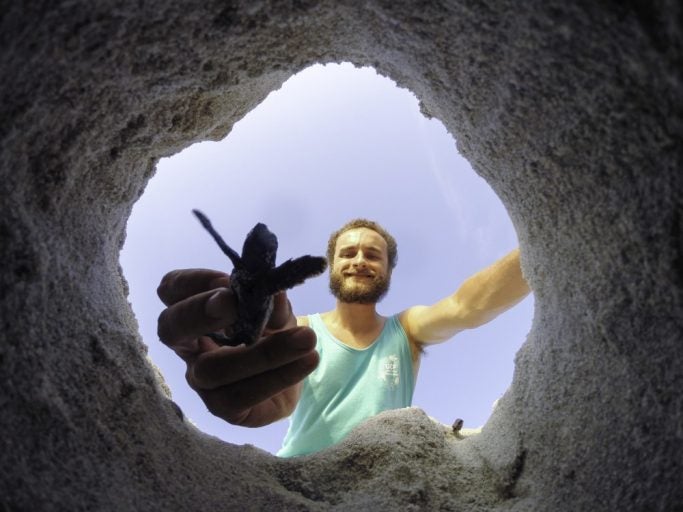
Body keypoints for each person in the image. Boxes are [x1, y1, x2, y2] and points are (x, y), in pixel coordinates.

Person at [156, 219, 531, 457]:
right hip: (296, 478)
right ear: (332, 266)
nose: (359, 260)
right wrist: (218, 347)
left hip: (383, 486)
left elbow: (467, 306)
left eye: (373, 254)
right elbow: (250, 354)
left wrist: (542, 243)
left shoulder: (407, 330)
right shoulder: (297, 328)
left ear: (387, 270)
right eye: (347, 252)